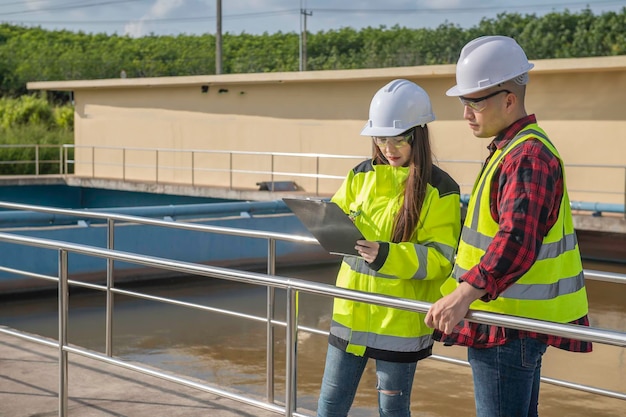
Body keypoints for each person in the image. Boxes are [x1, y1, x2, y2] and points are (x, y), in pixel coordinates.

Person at [424, 35, 592, 417]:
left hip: (508, 327)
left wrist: (465, 293)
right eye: (463, 102)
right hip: (508, 322)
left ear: (509, 99)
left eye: (474, 102)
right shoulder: (512, 150)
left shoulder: (527, 156)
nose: (466, 113)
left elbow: (517, 238)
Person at [316, 79, 461, 417]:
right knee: (329, 407)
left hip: (398, 322)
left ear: (419, 134)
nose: (388, 148)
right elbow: (337, 219)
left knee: (392, 410)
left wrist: (386, 255)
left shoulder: (440, 189)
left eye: (399, 139)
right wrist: (322, 224)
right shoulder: (359, 175)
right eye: (381, 139)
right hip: (350, 312)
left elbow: (441, 259)